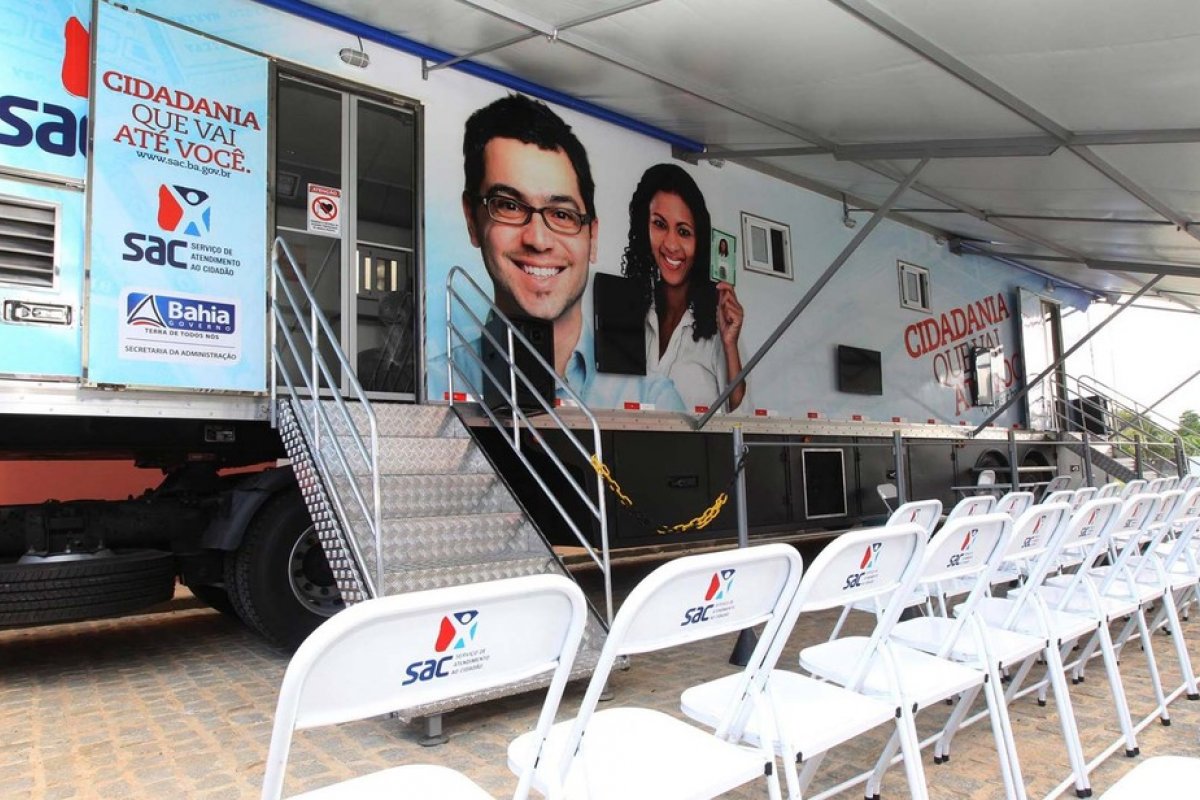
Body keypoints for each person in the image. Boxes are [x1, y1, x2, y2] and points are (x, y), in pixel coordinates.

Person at [456, 94, 683, 411]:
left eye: (562, 214)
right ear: (472, 219)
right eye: (509, 206)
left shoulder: (655, 397)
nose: (538, 239)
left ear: (593, 237)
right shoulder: (438, 381)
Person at [619, 163, 746, 412]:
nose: (671, 244)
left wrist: (730, 343)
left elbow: (737, 403)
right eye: (659, 224)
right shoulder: (633, 311)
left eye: (684, 231)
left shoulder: (718, 317)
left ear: (700, 242)